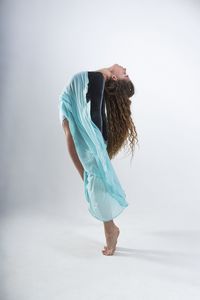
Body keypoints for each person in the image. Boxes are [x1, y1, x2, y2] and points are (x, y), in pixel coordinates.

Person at [58, 64, 138, 255]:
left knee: (94, 169)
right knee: (87, 160)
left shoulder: (98, 78)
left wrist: (98, 142)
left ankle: (110, 228)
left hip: (81, 113)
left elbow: (95, 113)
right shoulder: (99, 77)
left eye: (125, 74)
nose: (125, 68)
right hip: (71, 104)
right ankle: (109, 226)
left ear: (115, 79)